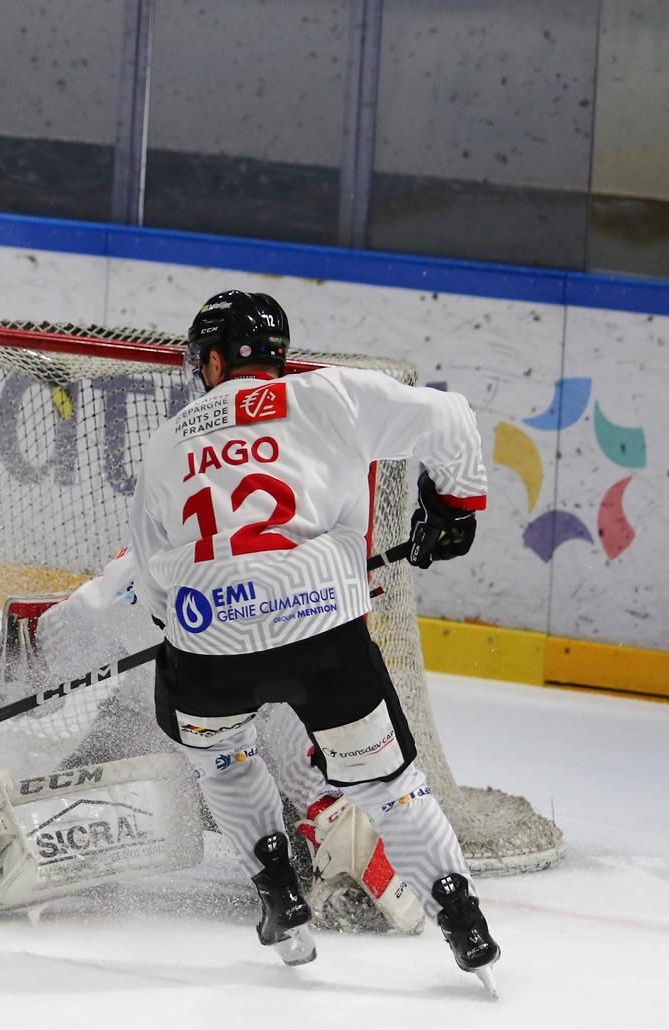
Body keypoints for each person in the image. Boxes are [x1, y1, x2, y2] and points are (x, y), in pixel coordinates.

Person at [126, 289, 497, 984]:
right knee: (388, 786)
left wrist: (199, 621)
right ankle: (463, 921)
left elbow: (151, 581)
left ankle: (278, 893)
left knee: (223, 759)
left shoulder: (168, 439)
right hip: (322, 631)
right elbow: (451, 417)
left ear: (214, 361)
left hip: (206, 647)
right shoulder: (329, 396)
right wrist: (454, 507)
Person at [0, 548, 425, 935]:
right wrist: (21, 670)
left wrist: (333, 813)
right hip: (149, 737)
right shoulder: (141, 572)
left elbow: (305, 742)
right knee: (55, 823)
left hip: (239, 769)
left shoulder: (295, 601)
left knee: (311, 841)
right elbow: (46, 637)